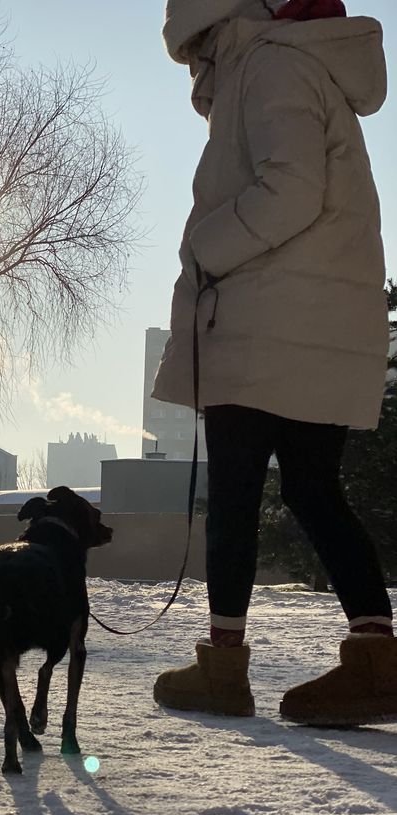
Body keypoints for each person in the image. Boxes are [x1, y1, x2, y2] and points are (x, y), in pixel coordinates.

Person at [152, 0, 396, 725]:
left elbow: (291, 188)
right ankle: (377, 660)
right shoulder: (296, 61)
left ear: (214, 25)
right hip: (311, 320)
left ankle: (225, 667)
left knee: (234, 494)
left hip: (263, 320)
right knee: (312, 491)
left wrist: (206, 246)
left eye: (197, 49)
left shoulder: (269, 64)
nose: (197, 70)